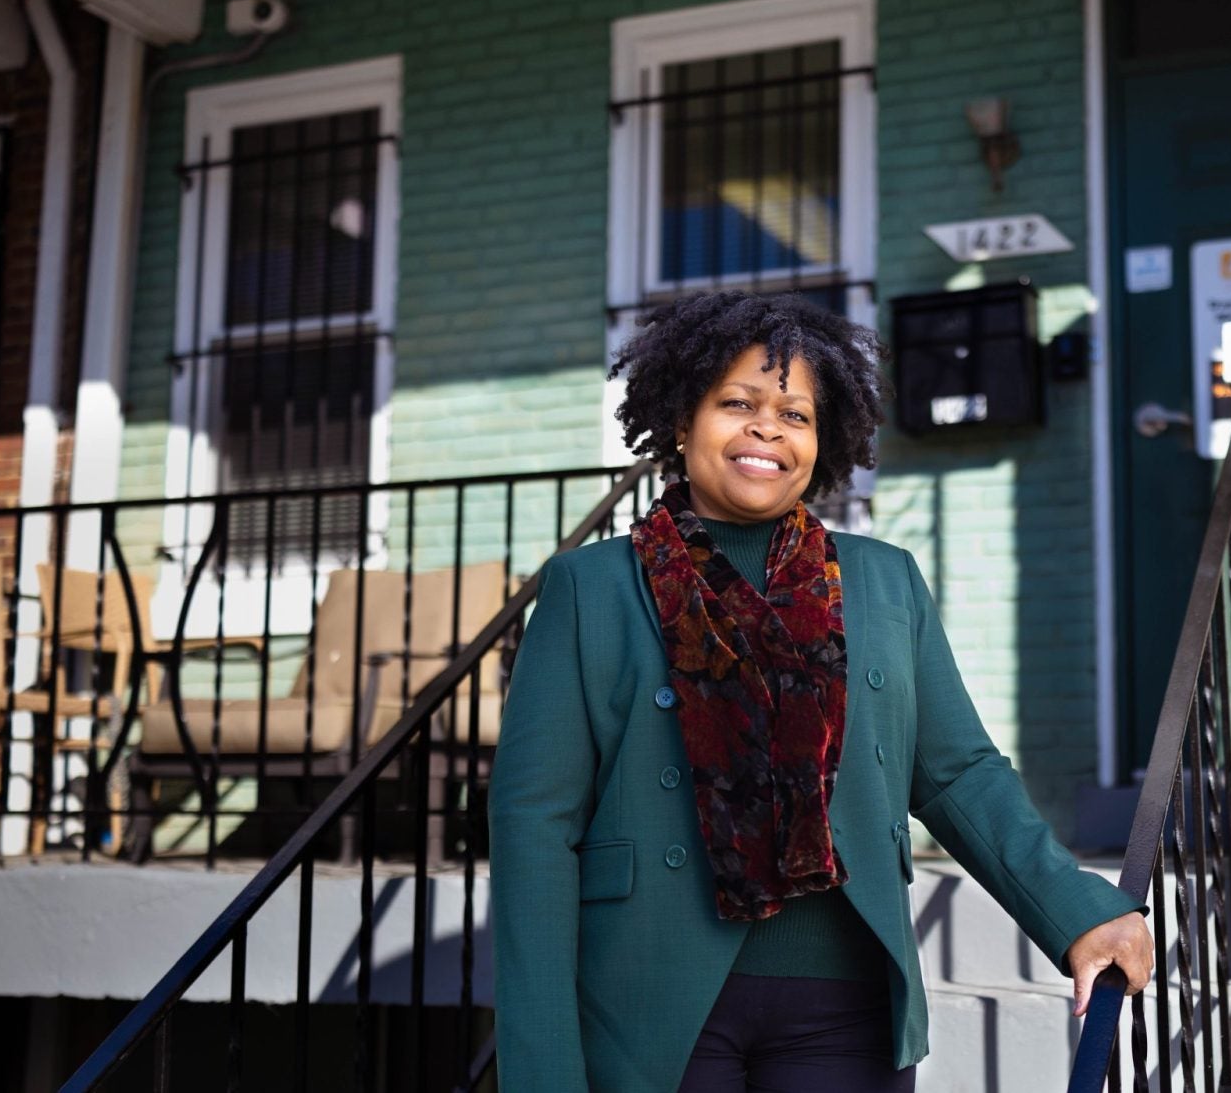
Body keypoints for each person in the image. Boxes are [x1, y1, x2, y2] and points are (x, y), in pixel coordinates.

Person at [489, 290, 1153, 1093]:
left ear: (821, 441)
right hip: (651, 999)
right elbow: (535, 829)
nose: (767, 428)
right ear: (680, 421)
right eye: (737, 402)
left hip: (845, 1003)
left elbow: (955, 771)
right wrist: (542, 1068)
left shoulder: (883, 581)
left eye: (795, 414)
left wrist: (1073, 907)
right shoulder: (588, 589)